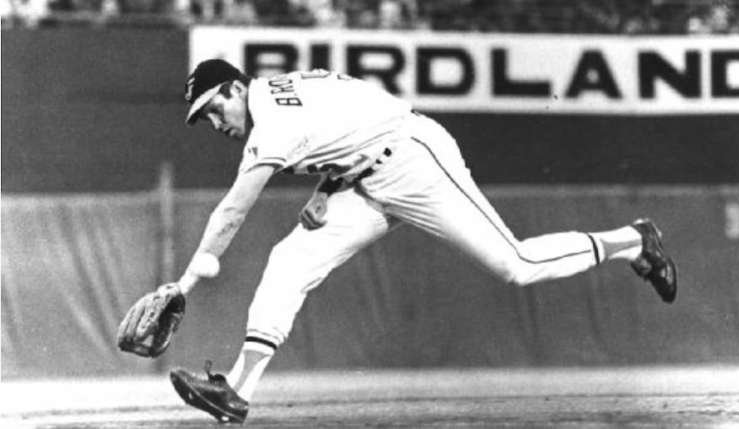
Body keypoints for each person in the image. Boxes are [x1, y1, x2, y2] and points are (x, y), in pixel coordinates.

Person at [168, 59, 677, 423]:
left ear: (236, 89)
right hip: (364, 181)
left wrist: (185, 284)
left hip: (416, 162)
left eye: (213, 109)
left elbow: (235, 207)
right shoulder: (275, 96)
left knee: (515, 264)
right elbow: (344, 122)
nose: (214, 124)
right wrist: (328, 188)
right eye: (204, 119)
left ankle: (634, 241)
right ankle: (236, 391)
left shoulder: (271, 121)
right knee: (290, 259)